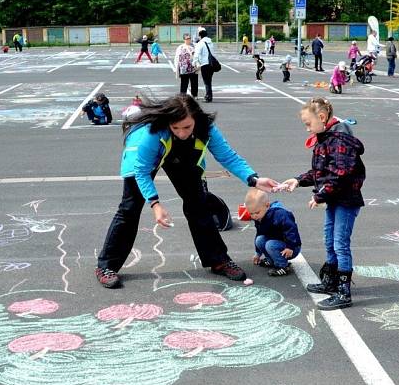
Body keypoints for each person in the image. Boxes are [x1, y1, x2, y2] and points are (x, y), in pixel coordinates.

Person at [94, 94, 278, 288]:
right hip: (146, 156)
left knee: (197, 203)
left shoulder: (206, 129)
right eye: (176, 127)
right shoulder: (152, 132)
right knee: (130, 208)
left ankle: (218, 260)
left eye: (187, 127)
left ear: (196, 121)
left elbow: (228, 157)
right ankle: (106, 265)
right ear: (168, 123)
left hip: (180, 155)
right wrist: (155, 203)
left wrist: (253, 179)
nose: (181, 132)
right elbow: (141, 170)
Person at [279, 97, 366, 310]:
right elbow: (321, 172)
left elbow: (340, 174)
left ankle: (343, 291)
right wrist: (298, 180)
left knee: (340, 244)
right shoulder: (326, 137)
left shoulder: (339, 139)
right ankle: (331, 280)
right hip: (335, 198)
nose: (307, 128)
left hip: (346, 199)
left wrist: (320, 195)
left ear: (321, 117)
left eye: (308, 123)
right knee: (329, 240)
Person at [246, 189, 302, 277]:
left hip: (291, 247)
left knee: (270, 244)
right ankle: (271, 260)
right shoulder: (259, 217)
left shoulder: (280, 215)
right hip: (277, 243)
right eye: (251, 213)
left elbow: (291, 230)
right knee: (259, 240)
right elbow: (259, 233)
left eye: (256, 212)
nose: (254, 216)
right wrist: (258, 253)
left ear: (267, 206)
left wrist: (290, 247)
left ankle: (283, 266)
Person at [194, 29, 216, 102]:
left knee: (206, 81)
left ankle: (208, 97)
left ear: (200, 36)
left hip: (205, 64)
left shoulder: (200, 43)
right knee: (209, 81)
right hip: (212, 64)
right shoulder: (210, 42)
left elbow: (196, 54)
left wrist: (196, 63)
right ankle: (209, 95)